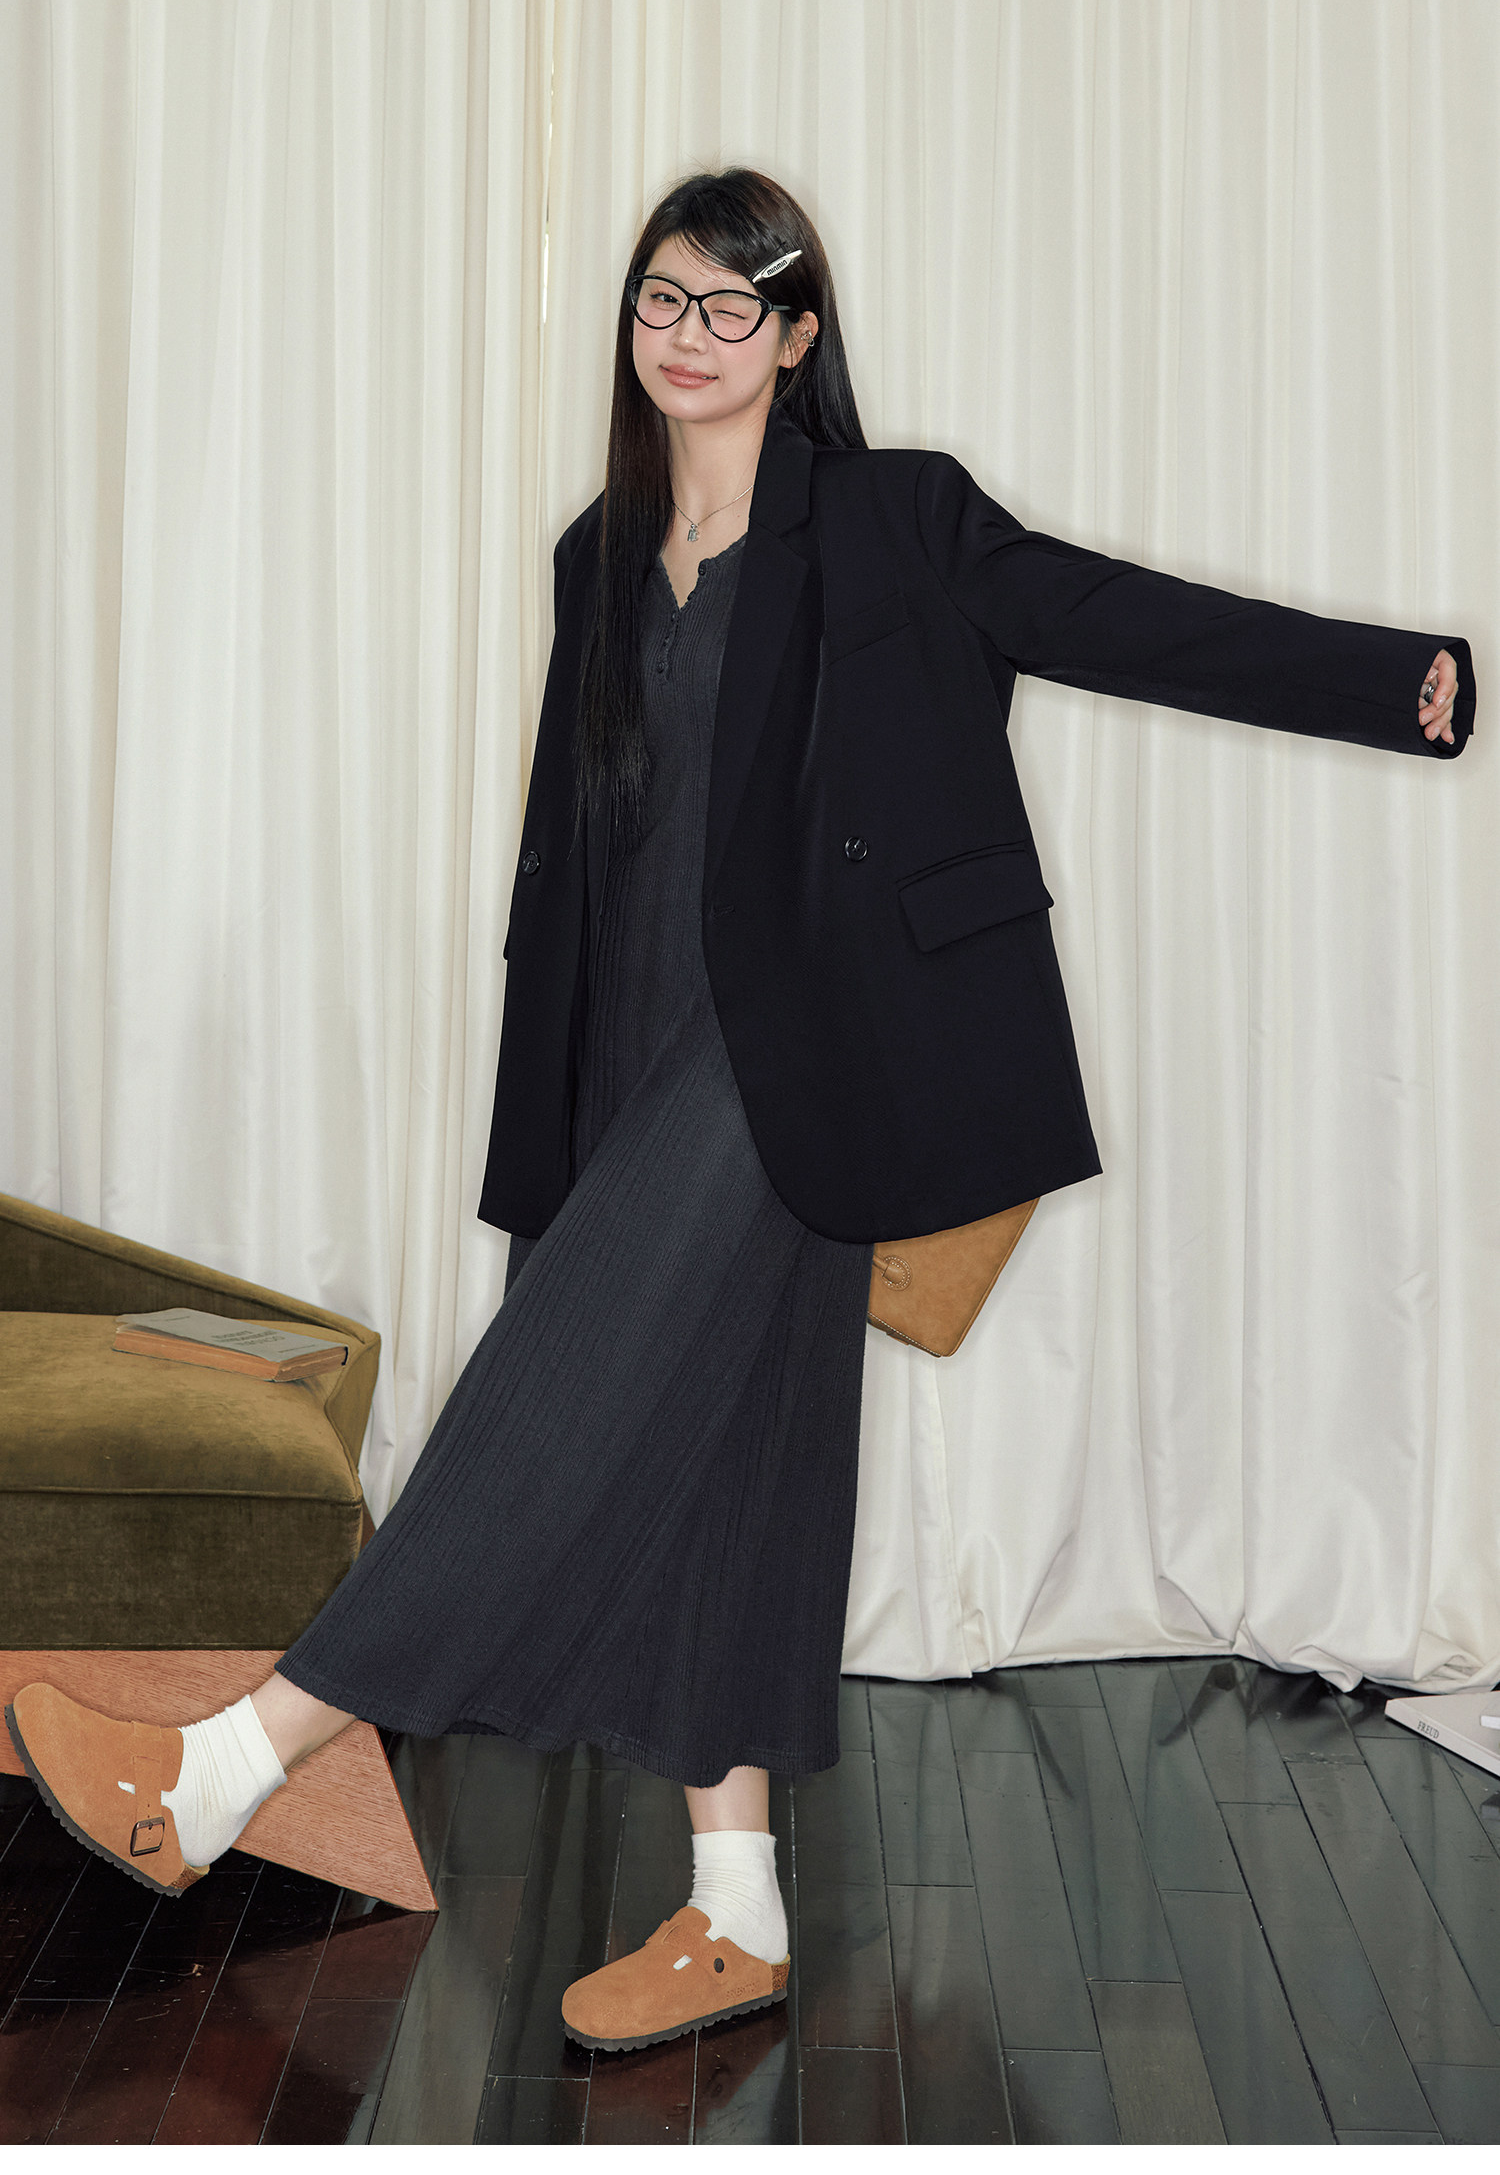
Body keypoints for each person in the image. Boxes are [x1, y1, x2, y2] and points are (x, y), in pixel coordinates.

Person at [6, 166, 1472, 2059]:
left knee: (547, 1388)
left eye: (728, 303)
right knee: (744, 1462)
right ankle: (738, 1907)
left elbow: (1114, 617)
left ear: (796, 336)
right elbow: (589, 844)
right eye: (659, 297)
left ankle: (229, 1762)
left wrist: (1392, 679)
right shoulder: (599, 554)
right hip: (628, 1042)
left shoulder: (891, 516)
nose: (686, 333)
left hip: (814, 1054)